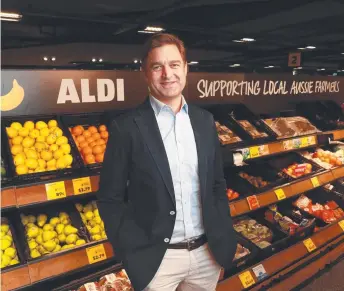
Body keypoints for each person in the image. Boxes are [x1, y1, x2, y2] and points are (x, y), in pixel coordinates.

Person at [97, 33, 237, 291]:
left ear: (185, 68)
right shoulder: (126, 128)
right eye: (157, 66)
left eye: (174, 65)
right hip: (157, 260)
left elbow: (217, 183)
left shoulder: (204, 121)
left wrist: (223, 237)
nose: (167, 74)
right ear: (145, 73)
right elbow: (109, 198)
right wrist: (130, 250)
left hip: (207, 255)